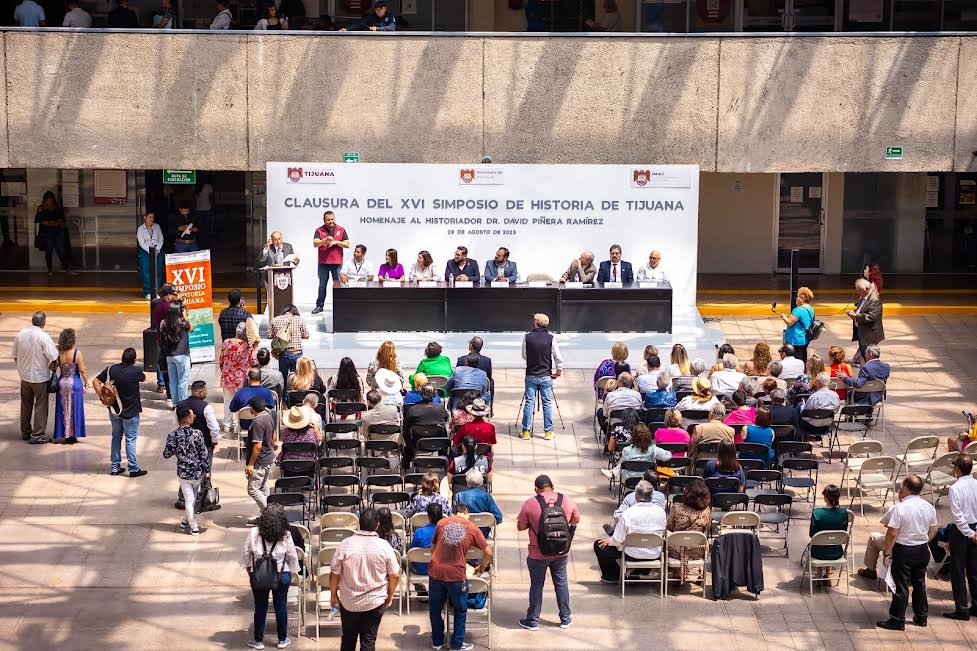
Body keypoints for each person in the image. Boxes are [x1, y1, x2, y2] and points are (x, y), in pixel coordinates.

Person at [329, 507, 400, 651]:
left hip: (349, 602)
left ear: (359, 523)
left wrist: (333, 594)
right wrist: (390, 594)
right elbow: (395, 575)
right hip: (375, 601)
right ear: (377, 525)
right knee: (368, 641)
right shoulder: (384, 546)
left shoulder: (345, 544)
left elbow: (334, 573)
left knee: (348, 639)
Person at [516, 474, 580, 630]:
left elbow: (520, 527)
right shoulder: (566, 500)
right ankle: (565, 618)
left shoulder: (530, 503)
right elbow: (576, 520)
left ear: (536, 489)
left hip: (538, 553)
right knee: (561, 583)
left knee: (537, 585)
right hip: (560, 552)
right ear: (553, 487)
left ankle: (532, 620)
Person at [875, 476, 938, 631]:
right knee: (919, 584)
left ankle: (897, 620)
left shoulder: (900, 508)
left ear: (907, 488)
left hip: (904, 551)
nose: (900, 487)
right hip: (922, 550)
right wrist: (922, 541)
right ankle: (921, 617)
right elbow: (934, 529)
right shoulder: (928, 506)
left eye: (902, 485)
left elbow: (891, 533)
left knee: (901, 586)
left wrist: (886, 553)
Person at [427, 502, 491, 651]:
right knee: (460, 609)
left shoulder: (441, 523)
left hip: (436, 571)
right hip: (456, 574)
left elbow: (432, 549)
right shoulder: (472, 527)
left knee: (435, 608)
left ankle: (437, 641)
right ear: (466, 513)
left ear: (453, 512)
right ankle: (457, 644)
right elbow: (488, 552)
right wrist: (481, 567)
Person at [241, 503, 299, 650]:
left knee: (260, 607)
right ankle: (282, 639)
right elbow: (292, 555)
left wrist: (250, 573)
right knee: (281, 606)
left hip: (259, 575)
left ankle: (258, 640)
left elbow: (246, 555)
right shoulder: (285, 534)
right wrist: (293, 573)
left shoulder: (254, 533)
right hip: (282, 575)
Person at [594, 480, 666, 583]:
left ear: (636, 496)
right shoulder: (661, 512)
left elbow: (618, 539)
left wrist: (609, 541)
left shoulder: (628, 513)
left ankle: (614, 576)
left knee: (599, 545)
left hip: (632, 553)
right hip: (655, 552)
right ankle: (638, 572)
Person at [94, 348, 147, 476]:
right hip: (131, 412)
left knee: (116, 437)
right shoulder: (136, 371)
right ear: (134, 360)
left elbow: (95, 381)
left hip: (114, 410)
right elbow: (143, 378)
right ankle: (133, 469)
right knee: (130, 440)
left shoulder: (111, 369)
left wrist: (102, 396)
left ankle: (115, 467)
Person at [163, 406, 210, 536]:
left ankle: (187, 522)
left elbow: (166, 454)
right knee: (191, 498)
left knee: (190, 499)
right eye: (192, 415)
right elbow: (204, 454)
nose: (194, 416)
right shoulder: (197, 433)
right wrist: (207, 470)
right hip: (197, 472)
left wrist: (176, 449)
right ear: (188, 419)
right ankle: (192, 525)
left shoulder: (172, 435)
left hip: (183, 473)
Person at [13, 312, 59, 444]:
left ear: (32, 320)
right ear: (44, 322)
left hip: (25, 377)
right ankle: (37, 435)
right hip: (40, 378)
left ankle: (25, 432)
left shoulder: (20, 334)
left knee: (26, 405)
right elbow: (54, 356)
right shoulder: (44, 336)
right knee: (40, 406)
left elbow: (15, 355)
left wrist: (22, 369)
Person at [941, 454, 977, 620]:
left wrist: (970, 534)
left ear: (957, 469)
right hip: (975, 529)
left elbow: (958, 516)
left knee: (958, 570)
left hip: (962, 532)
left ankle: (962, 608)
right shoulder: (976, 484)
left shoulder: (955, 489)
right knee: (974, 570)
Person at [521, 313, 564, 441]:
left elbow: (524, 355)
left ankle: (526, 432)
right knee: (547, 403)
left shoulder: (527, 337)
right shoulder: (551, 338)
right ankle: (548, 432)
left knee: (529, 402)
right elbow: (557, 356)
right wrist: (558, 371)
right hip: (546, 375)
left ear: (536, 323)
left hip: (531, 374)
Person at [666, 478, 711, 583]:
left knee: (669, 539)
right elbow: (707, 528)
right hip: (697, 550)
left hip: (676, 550)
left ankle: (677, 572)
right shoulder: (706, 511)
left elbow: (669, 526)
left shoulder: (676, 508)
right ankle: (698, 574)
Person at [243, 396, 276, 525]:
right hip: (268, 457)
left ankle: (270, 514)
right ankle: (264, 517)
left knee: (252, 489)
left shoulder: (257, 422)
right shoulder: (269, 416)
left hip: (260, 461)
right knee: (263, 487)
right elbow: (273, 435)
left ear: (252, 408)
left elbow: (257, 446)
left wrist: (250, 464)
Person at [52, 328, 88, 445]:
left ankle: (64, 433)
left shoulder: (59, 353)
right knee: (74, 408)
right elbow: (82, 370)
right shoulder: (77, 353)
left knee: (63, 408)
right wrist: (86, 382)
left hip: (62, 383)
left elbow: (52, 367)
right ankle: (73, 434)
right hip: (75, 383)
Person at [601, 424, 672, 482]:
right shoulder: (653, 449)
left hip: (629, 479)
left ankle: (612, 472)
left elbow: (624, 465)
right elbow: (667, 456)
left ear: (633, 437)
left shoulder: (626, 450)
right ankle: (612, 472)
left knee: (622, 466)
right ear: (649, 436)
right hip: (648, 478)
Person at [176, 380, 221, 470]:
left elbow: (175, 422)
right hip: (205, 443)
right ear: (201, 392)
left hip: (185, 443)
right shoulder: (206, 407)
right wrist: (214, 440)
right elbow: (214, 427)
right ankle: (205, 483)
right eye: (206, 391)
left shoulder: (180, 405)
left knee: (186, 469)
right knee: (205, 470)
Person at [219, 322, 255, 433]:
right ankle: (237, 425)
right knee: (240, 401)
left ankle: (227, 425)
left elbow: (221, 359)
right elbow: (254, 361)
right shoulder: (247, 346)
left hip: (227, 376)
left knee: (228, 401)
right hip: (242, 379)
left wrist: (224, 371)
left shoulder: (226, 342)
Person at [312, 211, 350, 314]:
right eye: (328, 220)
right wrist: (324, 240)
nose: (331, 221)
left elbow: (347, 244)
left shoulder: (341, 230)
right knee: (322, 285)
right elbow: (315, 244)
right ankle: (319, 306)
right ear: (324, 220)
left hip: (337, 263)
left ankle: (340, 306)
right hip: (323, 263)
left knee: (338, 286)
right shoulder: (319, 230)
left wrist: (336, 242)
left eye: (332, 219)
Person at [403, 385, 449, 460]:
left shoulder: (413, 409)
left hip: (417, 443)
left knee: (406, 431)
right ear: (435, 394)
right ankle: (443, 453)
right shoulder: (440, 408)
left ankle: (409, 454)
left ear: (420, 394)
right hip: (437, 443)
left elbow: (406, 425)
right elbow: (446, 420)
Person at [160, 304, 193, 405]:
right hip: (182, 355)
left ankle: (175, 404)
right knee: (183, 381)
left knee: (173, 381)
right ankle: (183, 404)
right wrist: (185, 315)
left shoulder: (163, 322)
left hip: (169, 356)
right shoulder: (182, 322)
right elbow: (191, 329)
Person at [809, 485, 848, 567]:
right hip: (836, 553)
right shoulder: (844, 513)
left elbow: (812, 534)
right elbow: (843, 533)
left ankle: (818, 575)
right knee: (831, 541)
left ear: (825, 498)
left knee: (819, 542)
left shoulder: (817, 513)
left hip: (818, 553)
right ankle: (827, 573)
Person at [847, 277, 885, 364]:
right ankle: (863, 368)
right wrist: (854, 313)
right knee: (863, 352)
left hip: (869, 333)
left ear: (866, 289)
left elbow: (872, 317)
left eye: (860, 291)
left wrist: (857, 316)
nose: (858, 293)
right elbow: (860, 309)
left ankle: (868, 370)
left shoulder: (875, 300)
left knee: (868, 355)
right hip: (862, 330)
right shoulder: (863, 296)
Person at [452, 469, 502, 534]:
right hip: (482, 534)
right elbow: (498, 517)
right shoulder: (486, 496)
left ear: (467, 482)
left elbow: (453, 516)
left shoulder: (459, 496)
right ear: (481, 482)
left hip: (464, 533)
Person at [35, 191, 72, 275]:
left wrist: (56, 223)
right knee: (49, 250)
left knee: (61, 250)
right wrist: (50, 224)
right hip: (47, 232)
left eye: (51, 200)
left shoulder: (58, 207)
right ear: (44, 200)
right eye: (47, 200)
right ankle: (50, 269)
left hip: (58, 231)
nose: (49, 202)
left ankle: (67, 268)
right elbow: (39, 220)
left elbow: (62, 218)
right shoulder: (41, 208)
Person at [268, 304, 309, 377]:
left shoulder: (275, 320)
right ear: (295, 311)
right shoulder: (299, 319)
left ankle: (284, 388)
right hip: (296, 353)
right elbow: (306, 335)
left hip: (282, 353)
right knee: (296, 377)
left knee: (283, 377)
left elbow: (269, 335)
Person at [780, 287, 815, 363]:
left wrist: (784, 317)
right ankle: (803, 368)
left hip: (795, 339)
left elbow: (789, 322)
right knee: (802, 355)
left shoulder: (798, 310)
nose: (796, 298)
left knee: (793, 358)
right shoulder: (810, 308)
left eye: (797, 296)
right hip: (805, 338)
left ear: (802, 298)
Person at [409, 502, 443, 577]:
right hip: (441, 569)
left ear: (429, 517)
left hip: (421, 569)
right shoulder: (446, 531)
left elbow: (412, 550)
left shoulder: (419, 532)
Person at [136, 212, 165, 299]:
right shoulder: (141, 229)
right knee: (146, 271)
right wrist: (150, 251)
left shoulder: (157, 226)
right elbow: (141, 242)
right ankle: (148, 292)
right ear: (145, 217)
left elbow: (161, 239)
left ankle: (156, 291)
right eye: (150, 217)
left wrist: (157, 250)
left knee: (158, 270)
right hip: (146, 250)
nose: (152, 219)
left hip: (158, 250)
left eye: (153, 217)